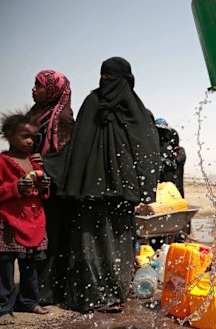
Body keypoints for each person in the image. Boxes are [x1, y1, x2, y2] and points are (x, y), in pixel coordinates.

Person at [45, 57, 160, 313]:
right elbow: (78, 146)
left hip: (122, 191)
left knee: (118, 241)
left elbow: (147, 150)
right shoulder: (92, 103)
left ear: (126, 80)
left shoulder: (137, 111)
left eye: (113, 77)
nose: (107, 82)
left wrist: (143, 187)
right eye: (104, 76)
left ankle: (114, 293)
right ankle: (90, 294)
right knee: (89, 239)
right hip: (90, 191)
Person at [0, 112, 51, 325]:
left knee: (30, 267)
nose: (30, 141)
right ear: (8, 135)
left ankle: (29, 301)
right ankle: (3, 307)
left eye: (33, 137)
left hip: (34, 222)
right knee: (4, 269)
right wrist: (14, 188)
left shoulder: (35, 163)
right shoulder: (1, 163)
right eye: (25, 136)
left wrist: (44, 188)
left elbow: (42, 192)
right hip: (9, 223)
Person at [25, 70, 75, 306]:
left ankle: (46, 292)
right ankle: (31, 290)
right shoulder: (35, 113)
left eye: (39, 86)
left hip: (52, 188)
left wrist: (43, 164)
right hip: (29, 184)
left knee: (50, 241)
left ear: (53, 89)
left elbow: (66, 156)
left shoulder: (62, 117)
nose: (34, 89)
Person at [155, 118, 186, 197]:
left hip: (172, 189)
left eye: (163, 132)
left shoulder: (177, 150)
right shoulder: (153, 149)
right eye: (158, 131)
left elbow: (179, 160)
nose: (161, 134)